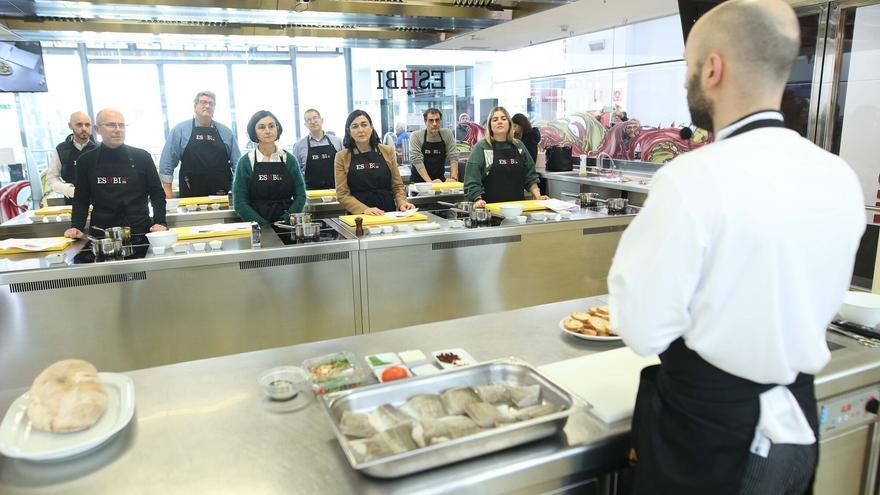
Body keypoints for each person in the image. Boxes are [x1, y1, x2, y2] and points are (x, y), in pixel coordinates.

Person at [606, 1, 865, 494]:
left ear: (712, 67)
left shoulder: (692, 178)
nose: (687, 81)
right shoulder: (837, 176)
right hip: (797, 427)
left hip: (708, 440)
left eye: (688, 67)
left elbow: (642, 327)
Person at [64, 108, 167, 238]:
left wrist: (160, 222)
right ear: (97, 129)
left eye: (122, 125)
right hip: (101, 234)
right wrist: (76, 226)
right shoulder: (85, 161)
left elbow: (157, 193)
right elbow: (81, 199)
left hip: (139, 231)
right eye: (111, 125)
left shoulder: (142, 157)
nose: (118, 130)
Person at [159, 90, 241, 198]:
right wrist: (167, 190)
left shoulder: (226, 132)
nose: (207, 106)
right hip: (190, 190)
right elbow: (167, 161)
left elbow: (238, 164)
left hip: (222, 191)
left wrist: (240, 190)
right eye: (203, 102)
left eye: (211, 103)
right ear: (195, 106)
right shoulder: (180, 130)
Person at [232, 110, 306, 225]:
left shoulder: (289, 159)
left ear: (277, 129)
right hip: (257, 225)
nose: (267, 131)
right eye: (262, 127)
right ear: (254, 132)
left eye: (271, 126)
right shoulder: (246, 161)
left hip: (287, 225)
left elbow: (300, 195)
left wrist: (287, 219)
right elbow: (240, 202)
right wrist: (261, 224)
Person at [334, 110, 414, 215]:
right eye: (355, 126)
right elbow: (342, 194)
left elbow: (397, 186)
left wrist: (402, 202)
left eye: (364, 125)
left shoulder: (387, 151)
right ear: (349, 131)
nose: (360, 130)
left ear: (371, 128)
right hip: (359, 216)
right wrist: (364, 210)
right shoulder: (342, 157)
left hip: (387, 213)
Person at [464, 106, 547, 207]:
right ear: (490, 125)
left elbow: (530, 176)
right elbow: (472, 179)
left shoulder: (519, 146)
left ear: (509, 124)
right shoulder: (482, 147)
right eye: (495, 120)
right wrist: (478, 199)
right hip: (491, 209)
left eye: (503, 119)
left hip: (517, 209)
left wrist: (538, 197)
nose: (500, 122)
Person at [46, 111, 97, 205]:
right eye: (79, 125)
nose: (84, 128)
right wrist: (68, 190)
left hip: (98, 202)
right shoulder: (61, 149)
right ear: (70, 126)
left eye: (87, 125)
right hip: (72, 202)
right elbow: (51, 178)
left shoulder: (100, 148)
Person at [292, 108, 343, 190]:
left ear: (322, 120)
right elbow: (296, 172)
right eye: (308, 120)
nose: (312, 121)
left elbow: (345, 166)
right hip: (310, 194)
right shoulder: (298, 145)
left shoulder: (337, 141)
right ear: (305, 125)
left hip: (336, 191)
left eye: (315, 118)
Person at [409, 108, 459, 183]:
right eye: (431, 120)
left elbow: (453, 157)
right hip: (419, 183)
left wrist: (453, 178)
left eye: (437, 120)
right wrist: (430, 182)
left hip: (439, 181)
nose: (435, 123)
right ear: (425, 122)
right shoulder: (416, 136)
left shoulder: (447, 134)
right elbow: (417, 161)